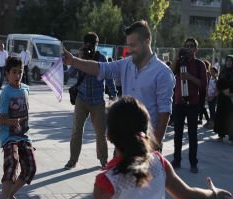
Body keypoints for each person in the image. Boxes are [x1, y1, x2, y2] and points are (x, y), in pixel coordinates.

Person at [92, 96, 232, 199]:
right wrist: (214, 195)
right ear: (146, 131)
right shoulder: (158, 163)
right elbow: (188, 196)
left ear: (109, 136)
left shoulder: (106, 181)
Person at [62, 20, 175, 150]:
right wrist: (74, 61)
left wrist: (154, 146)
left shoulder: (163, 73)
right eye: (128, 45)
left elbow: (164, 113)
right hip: (123, 141)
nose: (130, 50)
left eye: (133, 45)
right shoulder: (126, 64)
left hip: (147, 144)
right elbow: (100, 68)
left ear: (147, 41)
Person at [64, 32, 117, 170]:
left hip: (98, 100)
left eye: (93, 44)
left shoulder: (102, 58)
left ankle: (104, 160)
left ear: (96, 45)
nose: (91, 47)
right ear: (84, 44)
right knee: (77, 130)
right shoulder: (80, 58)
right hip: (82, 98)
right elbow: (69, 75)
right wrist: (77, 60)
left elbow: (109, 77)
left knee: (100, 132)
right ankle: (72, 160)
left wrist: (113, 94)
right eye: (88, 44)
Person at [0, 56, 36, 199]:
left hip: (23, 136)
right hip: (9, 136)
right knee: (12, 164)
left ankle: (10, 196)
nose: (17, 75)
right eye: (14, 72)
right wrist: (11, 121)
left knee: (31, 168)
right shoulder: (6, 93)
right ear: (7, 74)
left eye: (20, 72)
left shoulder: (25, 89)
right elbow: (1, 119)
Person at [170, 38, 207, 173]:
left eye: (192, 46)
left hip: (193, 104)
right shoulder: (180, 62)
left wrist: (190, 77)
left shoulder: (199, 65)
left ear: (196, 49)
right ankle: (177, 160)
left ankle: (193, 163)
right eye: (187, 46)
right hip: (179, 103)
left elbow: (203, 85)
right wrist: (176, 56)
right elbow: (169, 73)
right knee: (177, 134)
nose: (189, 48)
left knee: (192, 135)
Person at [214, 55, 233, 143]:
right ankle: (221, 135)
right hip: (222, 97)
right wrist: (220, 90)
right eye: (227, 61)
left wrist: (230, 92)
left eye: (230, 61)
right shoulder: (223, 71)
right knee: (221, 116)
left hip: (230, 98)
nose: (228, 62)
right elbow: (219, 82)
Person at [198, 60, 210, 125]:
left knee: (201, 106)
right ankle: (200, 119)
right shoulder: (202, 72)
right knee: (200, 106)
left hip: (203, 91)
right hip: (200, 90)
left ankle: (207, 119)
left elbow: (206, 83)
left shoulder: (207, 73)